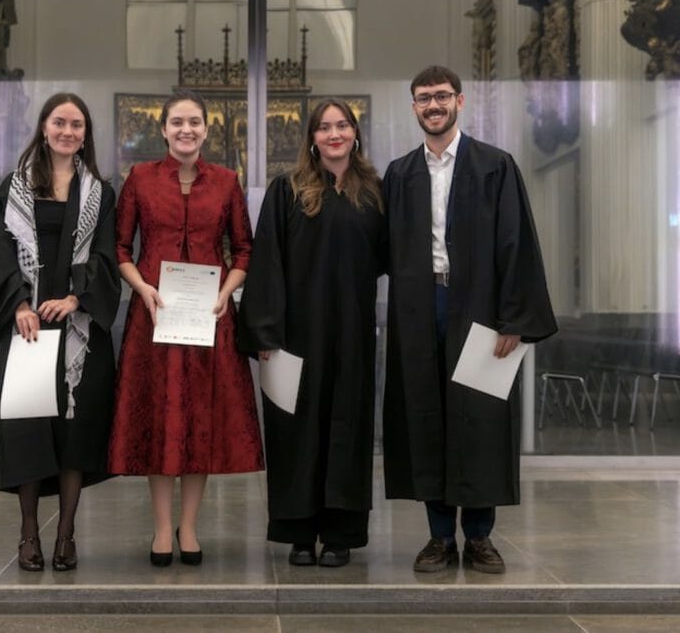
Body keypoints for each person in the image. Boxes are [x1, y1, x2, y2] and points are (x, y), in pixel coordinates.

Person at [382, 66, 557, 574]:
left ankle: (479, 536)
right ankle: (439, 537)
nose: (433, 106)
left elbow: (517, 243)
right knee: (427, 414)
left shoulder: (494, 166)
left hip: (481, 310)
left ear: (460, 101)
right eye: (423, 99)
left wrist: (512, 318)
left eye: (441, 96)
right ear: (413, 107)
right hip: (419, 309)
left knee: (480, 418)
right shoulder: (399, 174)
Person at [109, 89, 264, 567]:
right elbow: (119, 249)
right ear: (163, 128)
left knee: (200, 423)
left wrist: (225, 294)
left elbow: (244, 249)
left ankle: (190, 527)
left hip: (208, 320)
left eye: (195, 122)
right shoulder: (138, 178)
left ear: (206, 128)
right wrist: (142, 289)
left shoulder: (226, 182)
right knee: (160, 421)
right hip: (153, 317)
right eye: (177, 122)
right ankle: (160, 529)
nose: (186, 130)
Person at [238, 99, 385, 568]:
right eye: (324, 127)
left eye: (342, 125)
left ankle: (340, 533)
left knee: (347, 428)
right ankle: (299, 532)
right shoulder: (289, 190)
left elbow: (388, 257)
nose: (334, 134)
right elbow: (267, 262)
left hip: (353, 332)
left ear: (355, 133)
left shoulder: (374, 193)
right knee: (296, 433)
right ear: (312, 138)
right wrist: (265, 332)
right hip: (296, 335)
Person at [0, 92, 120, 572]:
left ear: (86, 134)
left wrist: (77, 298)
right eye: (59, 122)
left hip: (79, 329)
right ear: (43, 127)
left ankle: (66, 537)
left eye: (77, 125)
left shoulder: (100, 192)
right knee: (29, 430)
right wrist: (19, 303)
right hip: (30, 329)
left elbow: (104, 256)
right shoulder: (15, 187)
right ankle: (27, 537)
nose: (68, 131)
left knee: (75, 432)